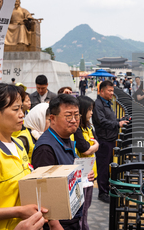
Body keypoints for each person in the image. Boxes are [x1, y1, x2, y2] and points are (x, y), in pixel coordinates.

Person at [0, 83, 47, 230]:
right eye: (15, 109)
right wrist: (19, 211)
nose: (22, 114)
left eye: (21, 108)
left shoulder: (18, 144)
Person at [32, 94, 92, 230]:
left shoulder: (66, 138)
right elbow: (43, 192)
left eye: (77, 115)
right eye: (68, 116)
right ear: (52, 118)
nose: (74, 120)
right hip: (60, 223)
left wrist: (83, 175)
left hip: (72, 215)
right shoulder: (46, 149)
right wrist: (55, 224)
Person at [92, 80, 128, 203]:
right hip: (104, 140)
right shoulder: (97, 104)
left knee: (109, 166)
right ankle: (102, 193)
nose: (112, 93)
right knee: (103, 167)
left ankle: (108, 189)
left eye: (113, 91)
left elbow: (110, 119)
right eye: (109, 90)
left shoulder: (106, 103)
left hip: (111, 139)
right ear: (101, 91)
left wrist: (121, 120)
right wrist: (118, 123)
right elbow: (101, 121)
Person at [72, 96, 99, 230]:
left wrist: (93, 146)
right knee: (81, 210)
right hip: (81, 175)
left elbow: (91, 145)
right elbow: (85, 148)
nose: (91, 113)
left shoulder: (88, 127)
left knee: (86, 207)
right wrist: (95, 146)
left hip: (90, 174)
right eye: (89, 110)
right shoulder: (77, 130)